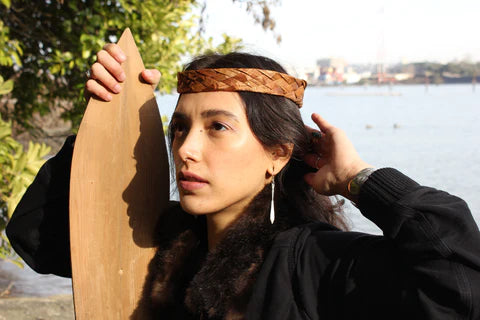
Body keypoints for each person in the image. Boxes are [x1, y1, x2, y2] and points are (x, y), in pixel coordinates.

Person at [6, 44, 480, 320]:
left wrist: (359, 179)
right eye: (180, 128)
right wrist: (102, 127)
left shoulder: (310, 263)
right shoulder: (161, 244)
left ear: (277, 155)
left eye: (217, 127)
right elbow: (36, 240)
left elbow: (459, 280)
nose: (186, 149)